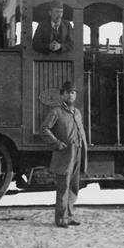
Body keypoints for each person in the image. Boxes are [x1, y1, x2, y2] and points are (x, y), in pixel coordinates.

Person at [40, 81, 87, 228]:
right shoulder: (56, 112)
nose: (70, 95)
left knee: (74, 186)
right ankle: (61, 219)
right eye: (67, 92)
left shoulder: (77, 112)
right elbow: (44, 129)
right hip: (65, 154)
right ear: (62, 95)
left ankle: (69, 216)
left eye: (73, 92)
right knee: (63, 187)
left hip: (78, 152)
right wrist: (57, 143)